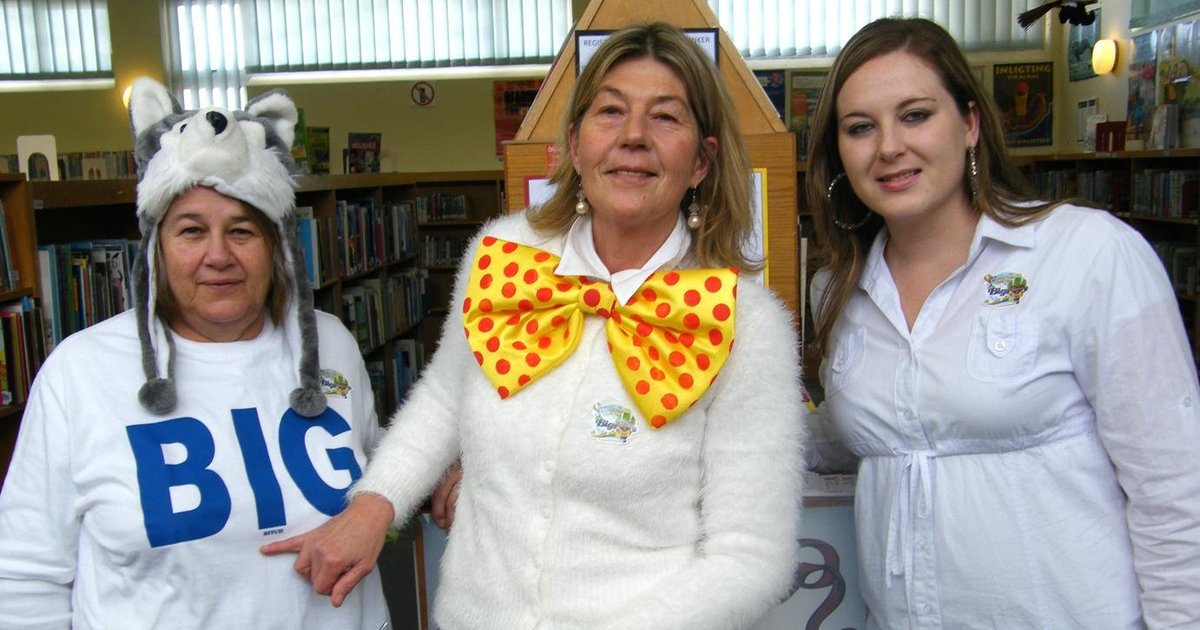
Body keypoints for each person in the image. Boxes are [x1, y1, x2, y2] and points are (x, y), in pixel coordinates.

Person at [263, 22, 806, 630]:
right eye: (610, 111)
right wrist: (374, 504)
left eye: (665, 117)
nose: (633, 136)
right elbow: (445, 399)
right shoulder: (504, 256)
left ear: (701, 161)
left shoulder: (743, 327)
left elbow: (750, 557)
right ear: (575, 143)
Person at [805, 17, 1200, 629]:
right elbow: (862, 428)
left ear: (970, 123)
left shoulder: (1086, 253)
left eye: (915, 115)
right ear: (839, 152)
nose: (888, 147)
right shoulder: (838, 289)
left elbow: (1175, 489)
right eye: (861, 127)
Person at [0, 78, 389, 629]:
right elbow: (25, 580)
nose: (218, 255)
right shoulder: (79, 372)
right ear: (156, 247)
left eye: (242, 231)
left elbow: (382, 473)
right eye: (191, 231)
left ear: (277, 246)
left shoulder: (329, 342)